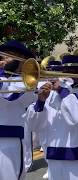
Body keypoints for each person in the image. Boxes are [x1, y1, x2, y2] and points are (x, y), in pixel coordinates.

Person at [27, 54, 78, 180]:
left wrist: (62, 91)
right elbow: (33, 125)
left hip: (76, 154)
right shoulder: (50, 95)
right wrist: (40, 102)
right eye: (66, 71)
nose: (69, 75)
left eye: (74, 71)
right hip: (53, 153)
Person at [0, 40, 37, 180]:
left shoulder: (24, 82)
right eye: (4, 54)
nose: (5, 57)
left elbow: (10, 95)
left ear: (21, 60)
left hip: (10, 142)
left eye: (11, 54)